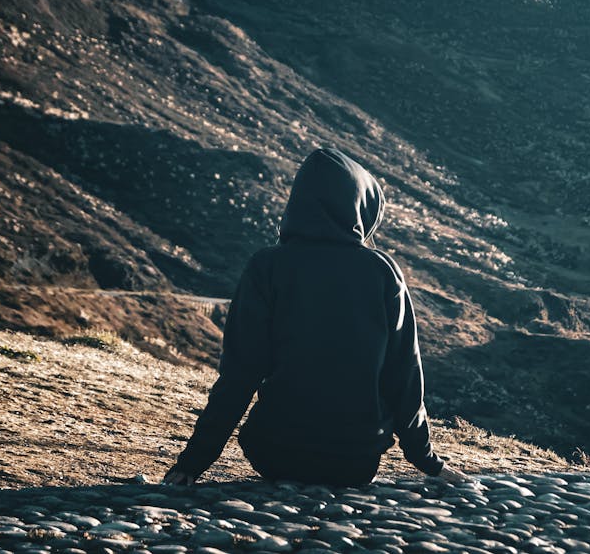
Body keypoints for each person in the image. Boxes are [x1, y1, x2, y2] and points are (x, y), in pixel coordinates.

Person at [162, 146, 473, 487]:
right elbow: (404, 376)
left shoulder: (267, 266)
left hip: (273, 453)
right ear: (361, 207)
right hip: (355, 460)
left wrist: (193, 463)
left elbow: (239, 374)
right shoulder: (381, 272)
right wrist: (427, 461)